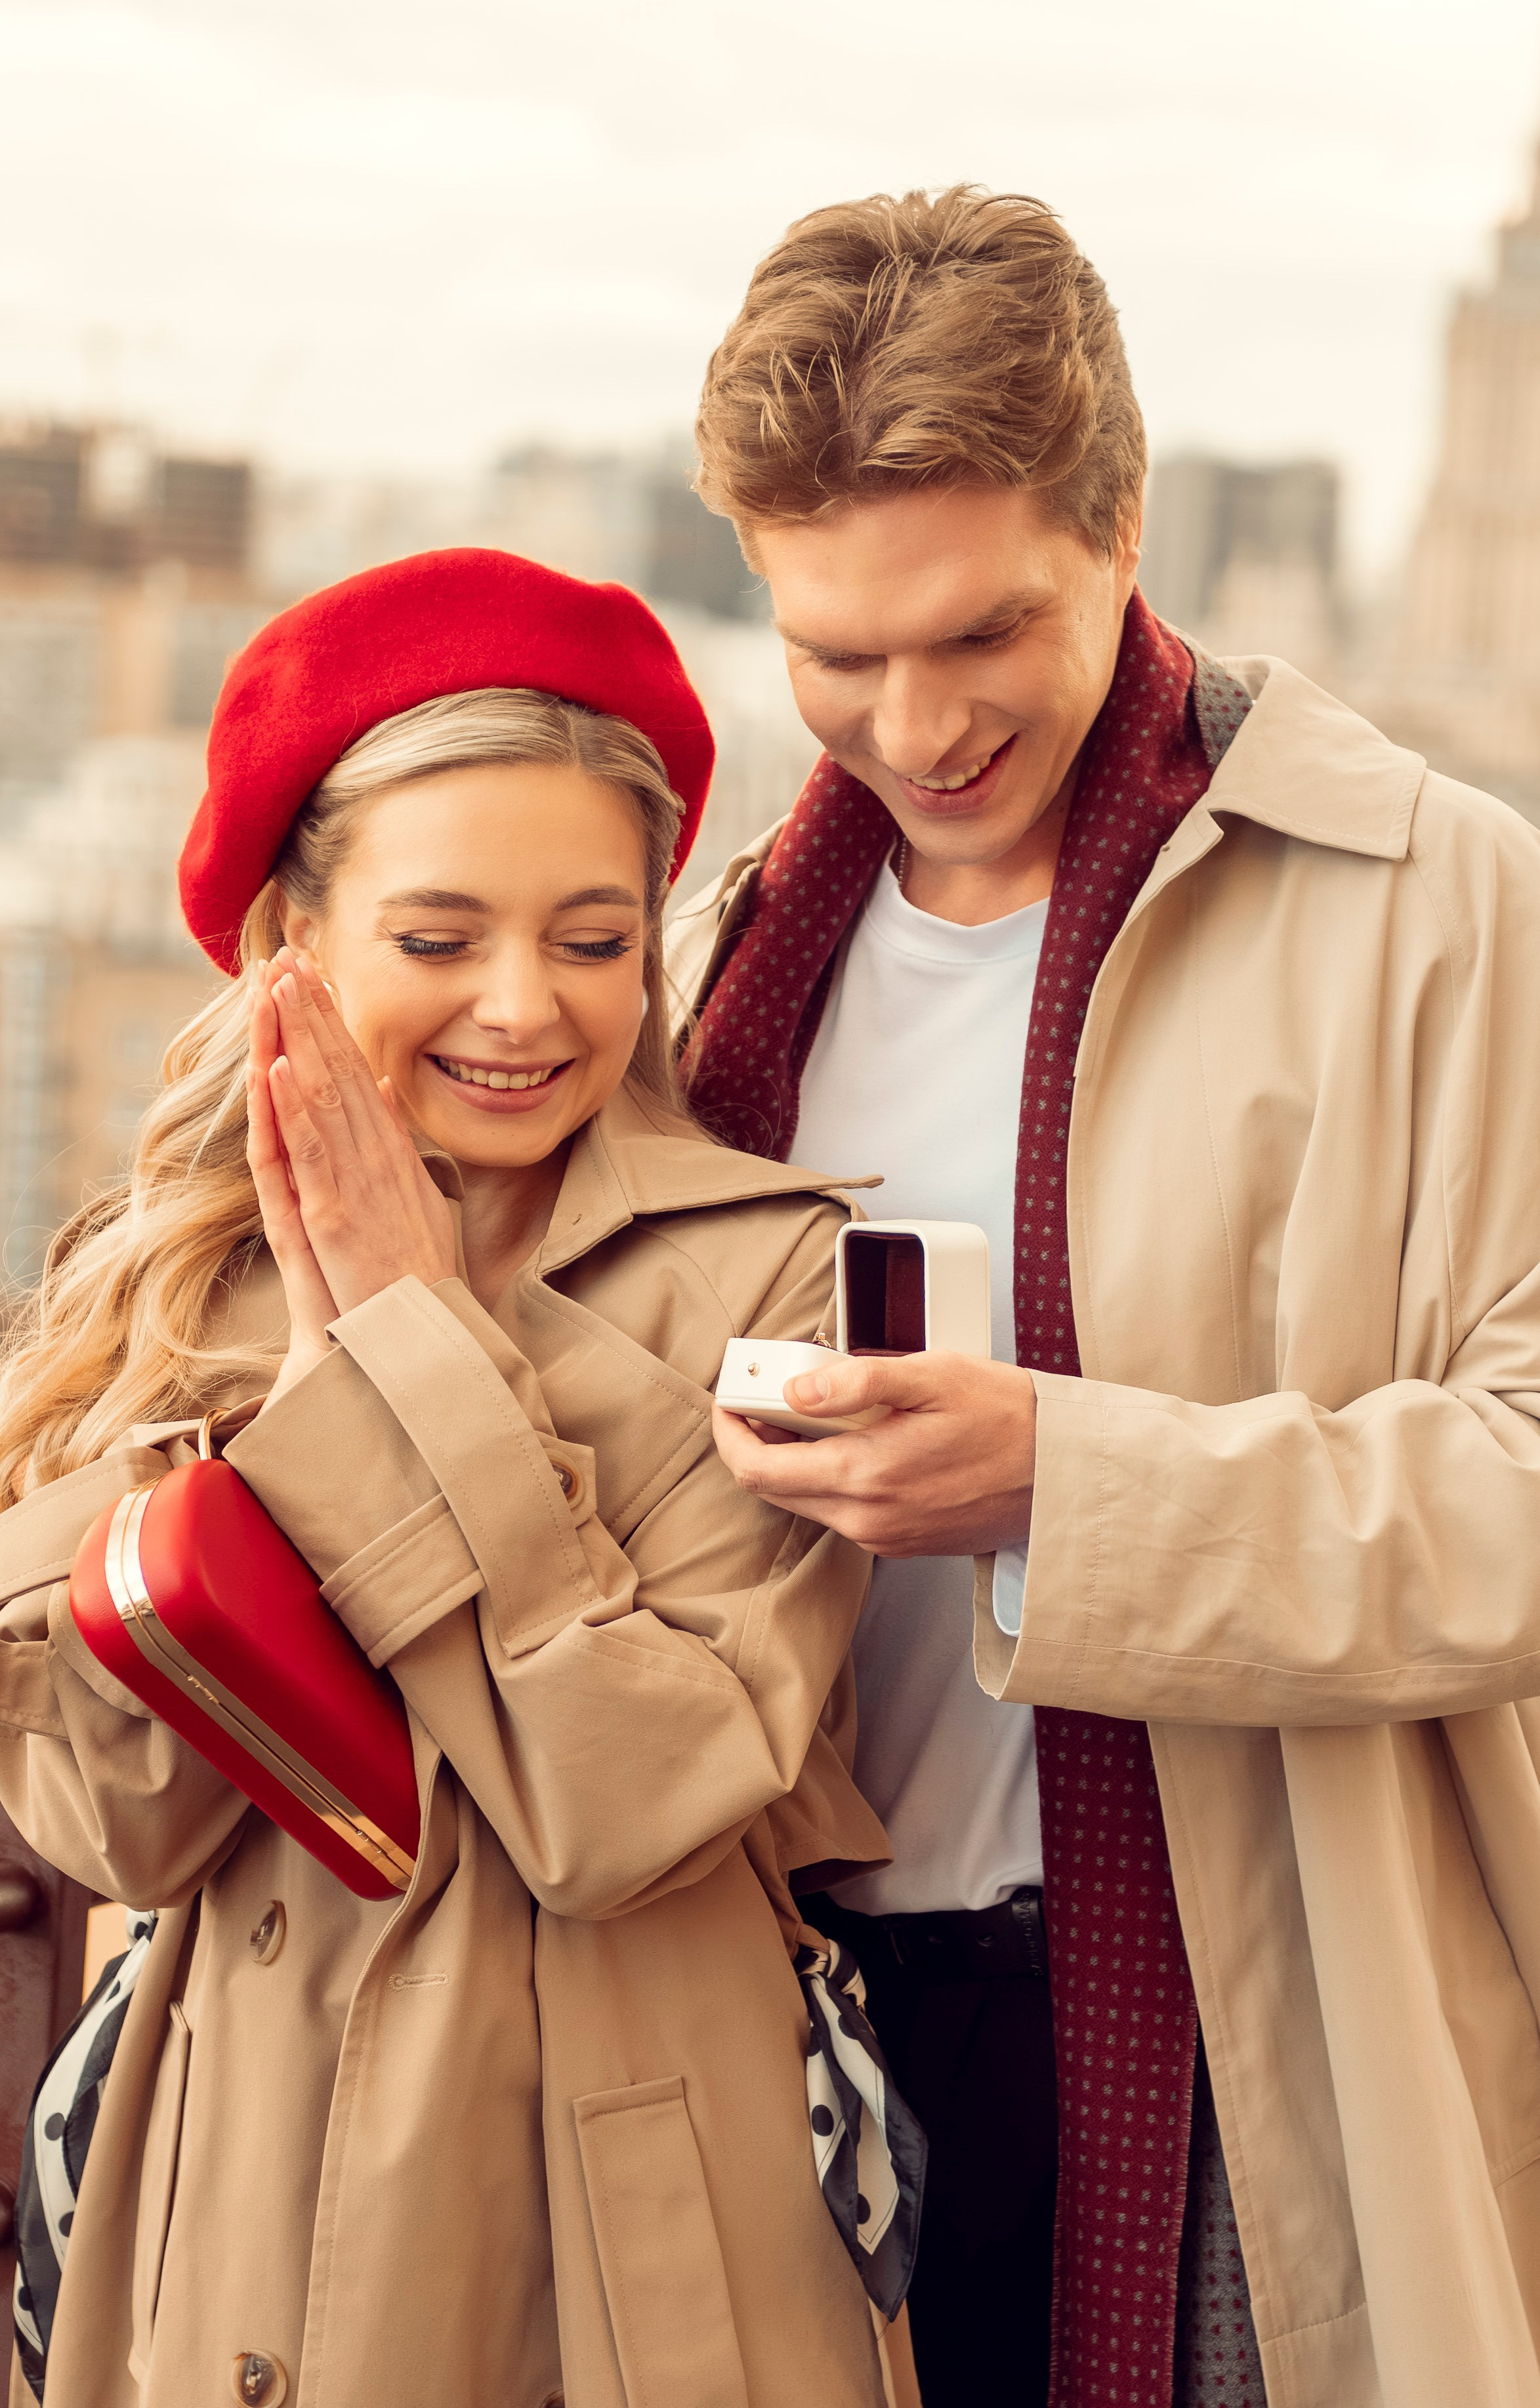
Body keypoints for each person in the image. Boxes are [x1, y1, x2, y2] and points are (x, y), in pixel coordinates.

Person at [671, 186, 1540, 2408]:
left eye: (980, 631)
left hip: (1252, 2047)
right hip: (786, 2033)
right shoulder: (717, 959)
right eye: (832, 651)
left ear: (1123, 521)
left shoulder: (1442, 902)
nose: (908, 724)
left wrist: (1056, 1486)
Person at [0, 548, 923, 2408]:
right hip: (237, 2185)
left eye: (594, 940)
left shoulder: (778, 1274)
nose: (524, 1008)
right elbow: (117, 1819)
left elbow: (635, 1797)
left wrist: (407, 1342)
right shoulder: (168, 1272)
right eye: (438, 942)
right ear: (295, 947)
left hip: (640, 2229)